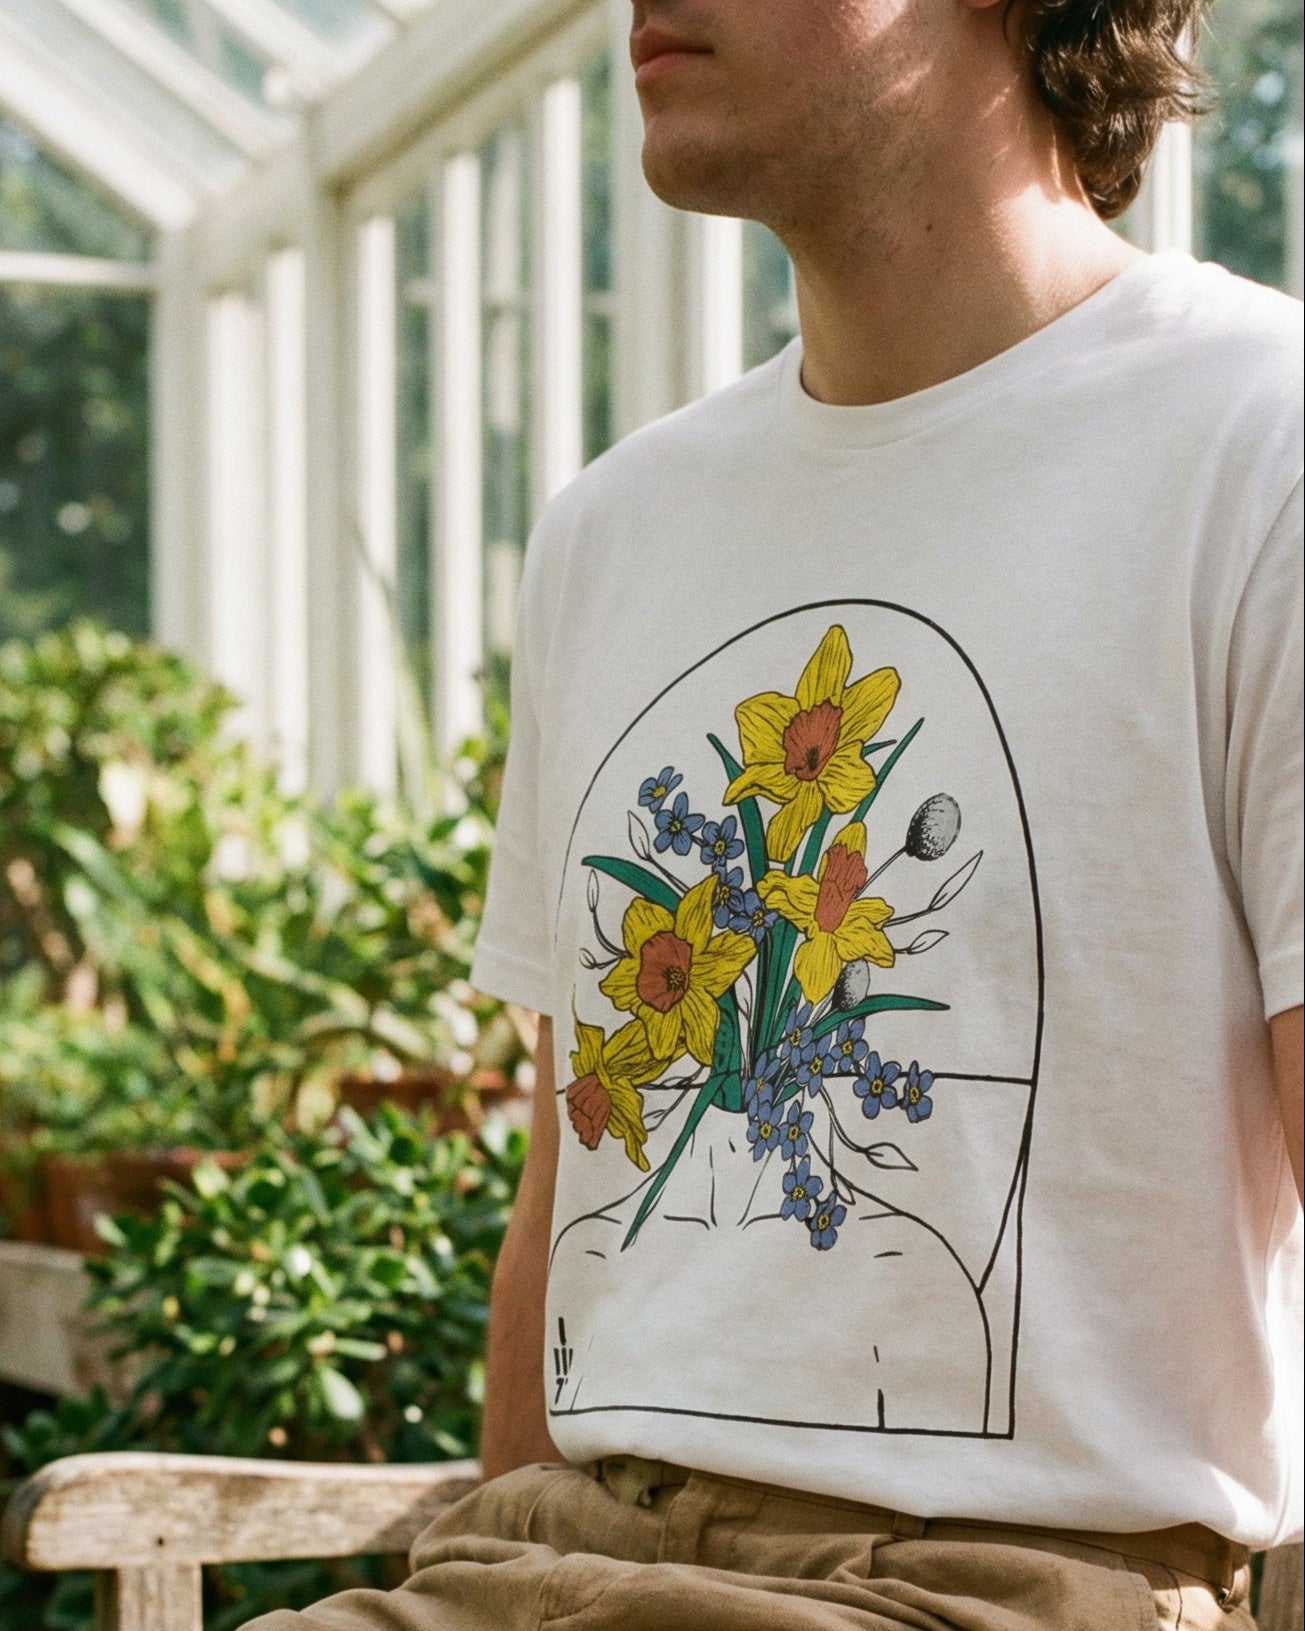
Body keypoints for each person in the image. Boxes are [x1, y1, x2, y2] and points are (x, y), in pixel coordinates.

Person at [247, 0, 1303, 1626]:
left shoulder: (1257, 439)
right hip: (548, 1555)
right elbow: (574, 1193)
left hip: (990, 1584)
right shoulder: (615, 524)